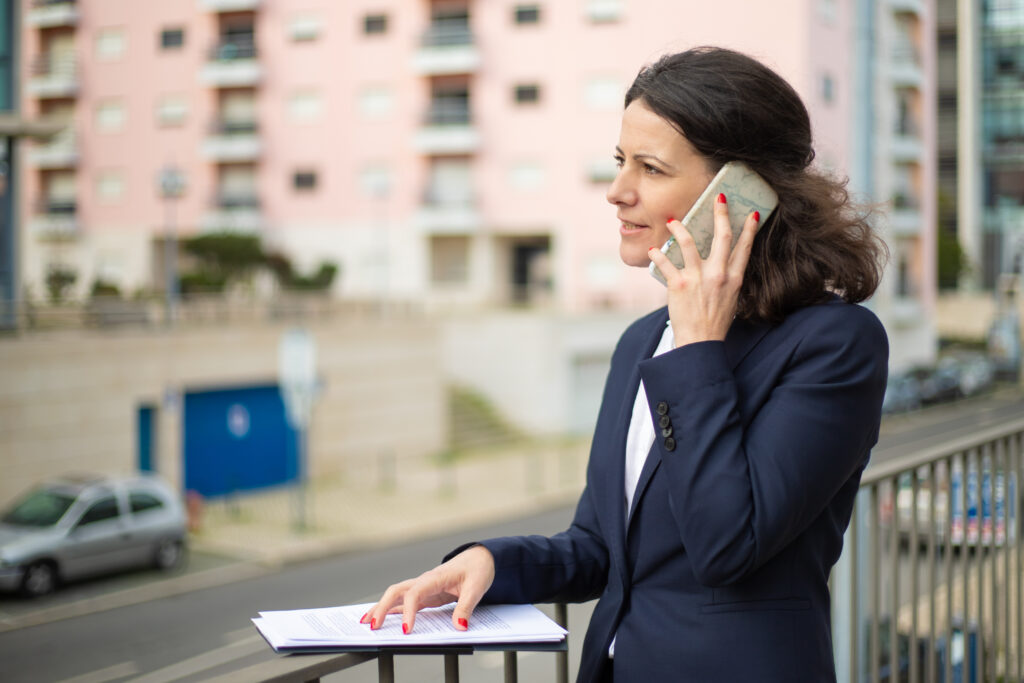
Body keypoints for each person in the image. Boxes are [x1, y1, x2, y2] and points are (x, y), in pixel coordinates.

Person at [362, 46, 889, 682]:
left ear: (743, 193)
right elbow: (601, 547)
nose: (617, 191)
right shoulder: (642, 342)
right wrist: (493, 563)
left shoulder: (835, 344)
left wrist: (699, 347)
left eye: (651, 167)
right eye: (620, 162)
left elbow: (727, 544)